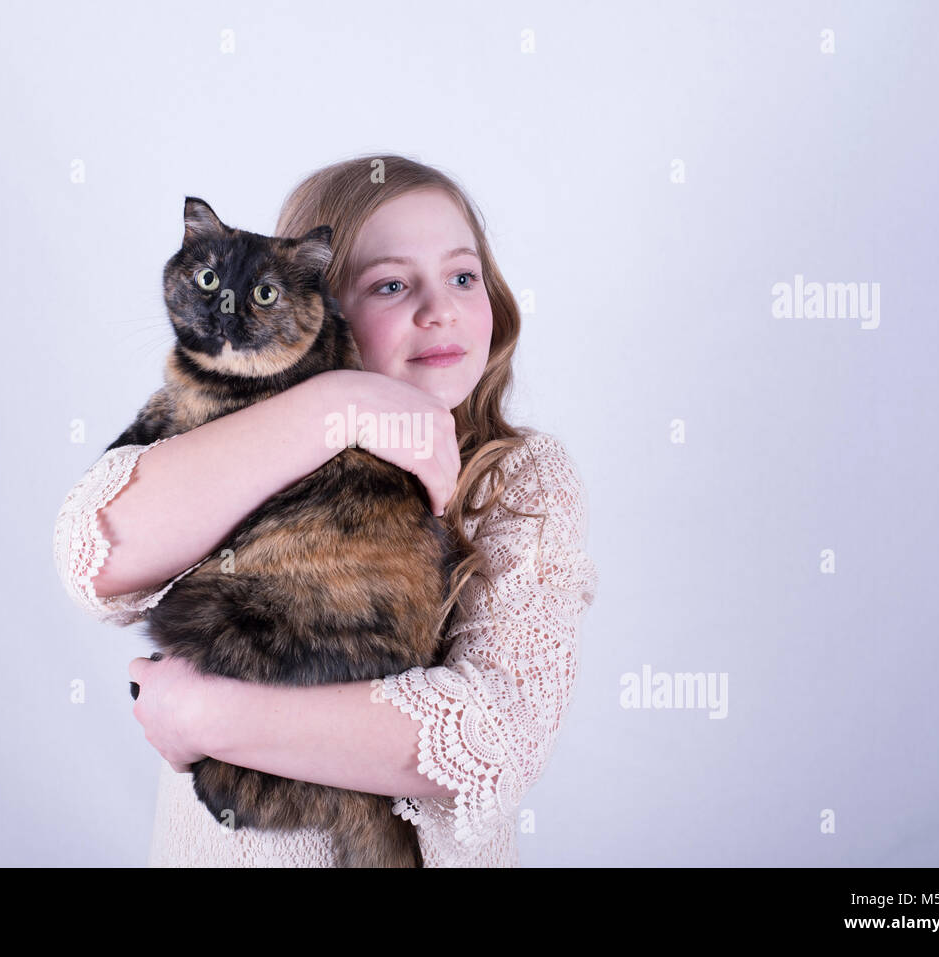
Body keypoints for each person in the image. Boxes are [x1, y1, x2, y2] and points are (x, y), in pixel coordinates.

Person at [52, 154, 599, 867]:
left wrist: (205, 715)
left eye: (463, 276)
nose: (439, 308)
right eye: (392, 284)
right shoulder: (225, 415)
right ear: (317, 306)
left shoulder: (520, 476)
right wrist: (333, 406)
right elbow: (91, 557)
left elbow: (496, 739)